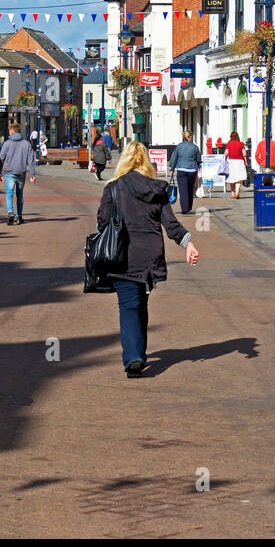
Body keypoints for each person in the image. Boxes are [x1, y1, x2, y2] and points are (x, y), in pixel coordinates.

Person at [98, 142, 200, 377]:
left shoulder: (113, 188)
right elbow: (170, 224)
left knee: (129, 306)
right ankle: (139, 354)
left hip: (122, 254)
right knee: (140, 304)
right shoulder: (157, 190)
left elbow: (102, 222)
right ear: (146, 162)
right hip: (150, 255)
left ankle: (134, 357)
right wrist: (188, 243)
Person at [0, 123, 37, 225]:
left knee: (9, 194)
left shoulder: (7, 143)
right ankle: (19, 216)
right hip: (21, 172)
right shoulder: (26, 143)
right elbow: (30, 160)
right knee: (20, 195)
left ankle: (10, 213)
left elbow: (1, 158)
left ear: (12, 131)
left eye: (10, 131)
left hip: (10, 172)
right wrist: (32, 175)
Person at [169, 130, 202, 215]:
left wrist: (171, 169)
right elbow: (198, 159)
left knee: (183, 190)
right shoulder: (195, 147)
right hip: (192, 170)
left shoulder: (179, 147)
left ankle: (184, 208)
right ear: (190, 137)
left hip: (181, 170)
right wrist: (199, 166)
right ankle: (189, 207)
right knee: (190, 189)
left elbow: (174, 158)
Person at [225, 130, 247, 198]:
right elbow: (244, 153)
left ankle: (232, 193)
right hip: (239, 162)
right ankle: (237, 191)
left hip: (231, 162)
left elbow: (226, 153)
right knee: (239, 177)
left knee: (232, 177)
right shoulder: (241, 144)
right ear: (237, 136)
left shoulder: (229, 144)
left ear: (231, 137)